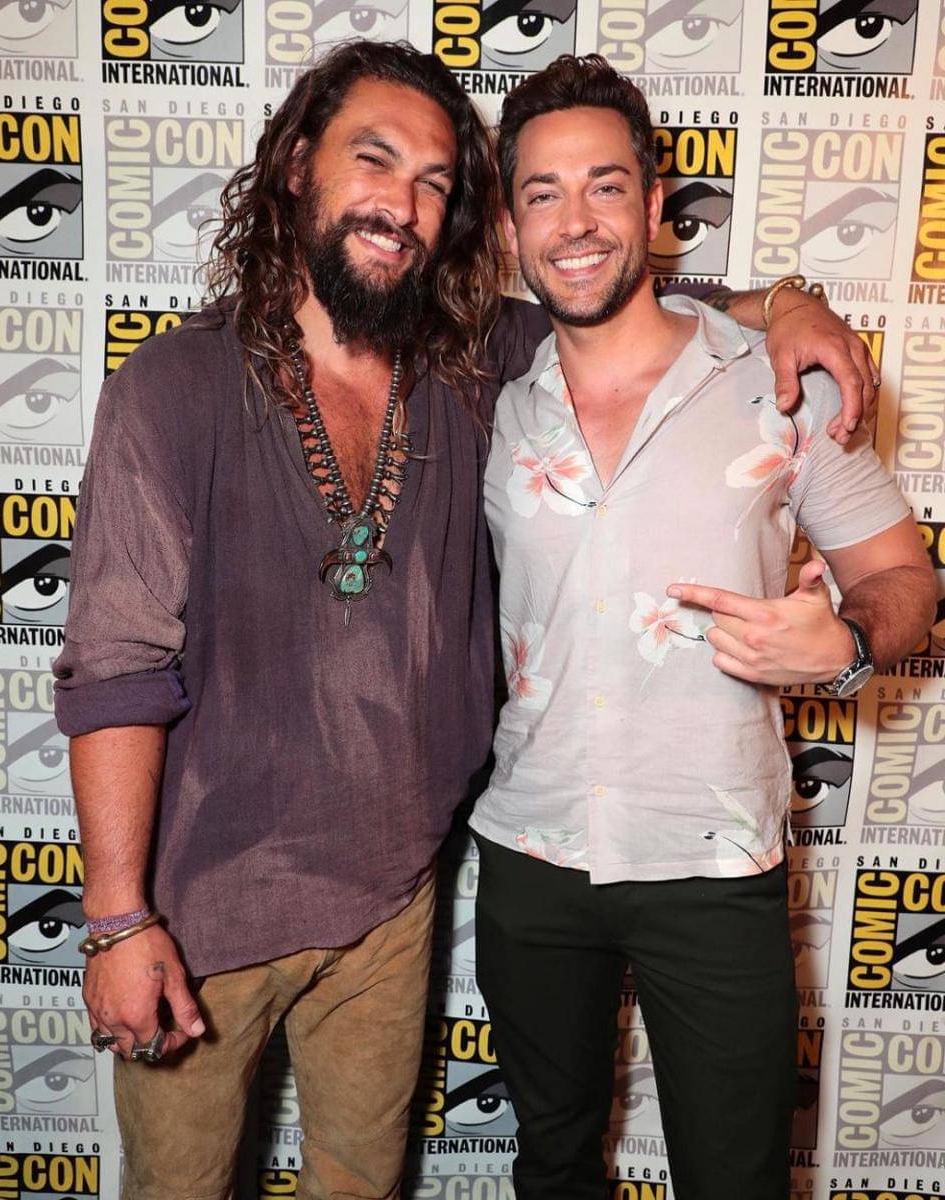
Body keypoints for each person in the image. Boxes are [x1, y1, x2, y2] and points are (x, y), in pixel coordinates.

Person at [53, 41, 878, 1200]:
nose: (402, 202)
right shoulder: (171, 389)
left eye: (434, 182)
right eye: (374, 160)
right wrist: (116, 920)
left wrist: (790, 302)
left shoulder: (470, 360)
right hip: (204, 914)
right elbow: (115, 666)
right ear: (295, 166)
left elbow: (633, 312)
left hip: (393, 905)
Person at [470, 54, 938, 1200]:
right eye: (543, 193)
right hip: (531, 851)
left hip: (715, 862)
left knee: (736, 1179)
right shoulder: (483, 387)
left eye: (605, 186)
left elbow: (904, 579)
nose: (577, 222)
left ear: (653, 202)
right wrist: (782, 293)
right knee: (551, 1166)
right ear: (510, 224)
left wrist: (847, 643)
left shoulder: (777, 386)